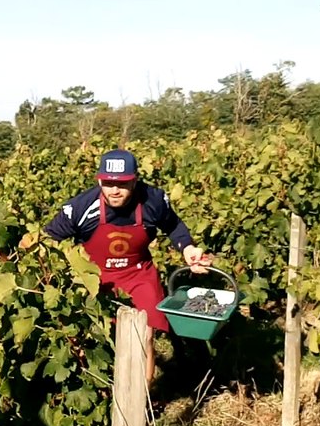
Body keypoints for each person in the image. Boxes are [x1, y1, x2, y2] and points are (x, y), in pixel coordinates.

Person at [44, 149, 212, 383]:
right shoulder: (80, 208)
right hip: (96, 279)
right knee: (104, 338)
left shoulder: (153, 201)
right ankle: (108, 391)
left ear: (134, 181)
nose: (114, 191)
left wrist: (188, 249)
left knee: (145, 335)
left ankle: (142, 401)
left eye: (122, 184)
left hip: (139, 274)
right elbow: (49, 238)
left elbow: (173, 226)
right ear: (100, 180)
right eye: (108, 183)